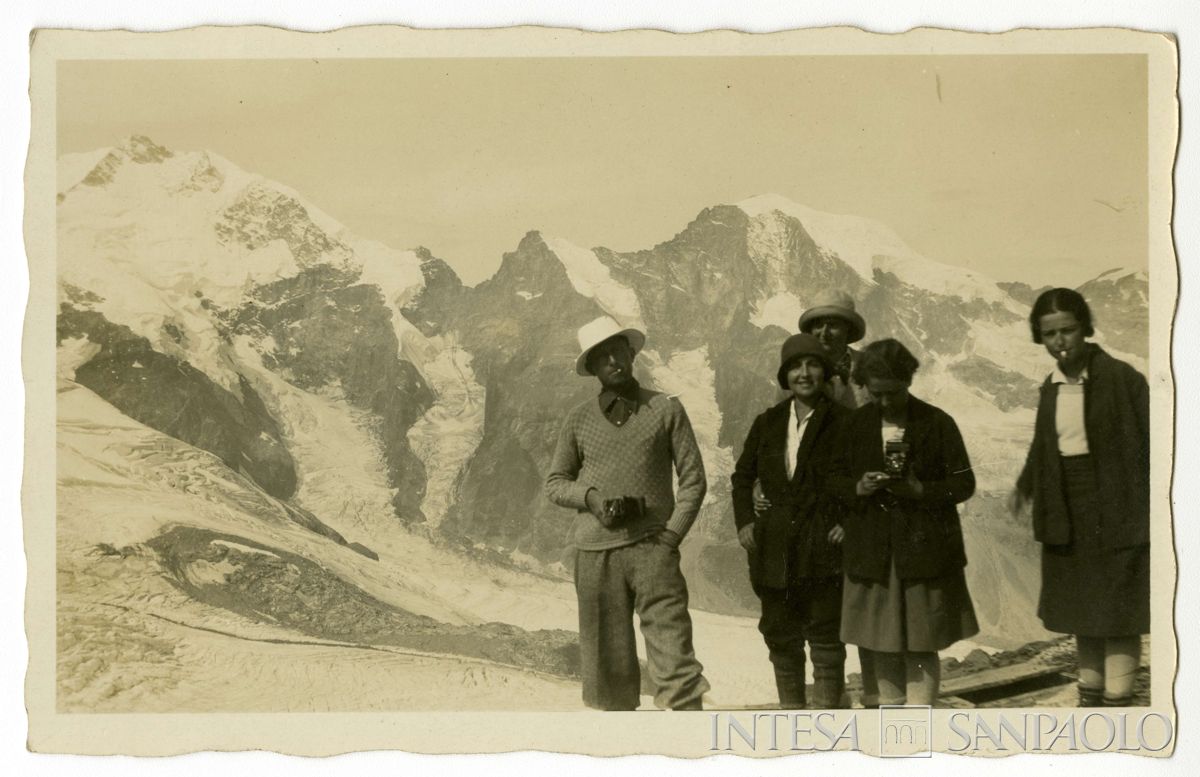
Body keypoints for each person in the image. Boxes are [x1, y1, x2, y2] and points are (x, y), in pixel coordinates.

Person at [545, 315, 710, 711]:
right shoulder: (578, 419)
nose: (613, 362)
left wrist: (671, 537)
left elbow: (694, 480)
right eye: (603, 357)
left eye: (618, 351)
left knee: (675, 661)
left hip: (654, 547)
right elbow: (555, 483)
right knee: (607, 679)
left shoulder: (666, 409)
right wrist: (592, 499)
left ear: (631, 353)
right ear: (593, 368)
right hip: (594, 554)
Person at [1009, 288, 1149, 707]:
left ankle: (1119, 701)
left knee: (1119, 611)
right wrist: (1025, 486)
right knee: (1082, 611)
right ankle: (1090, 701)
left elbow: (1158, 440)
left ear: (1085, 328)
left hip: (1119, 507)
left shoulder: (1123, 378)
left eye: (1067, 330)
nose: (1059, 341)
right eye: (1049, 333)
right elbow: (1043, 444)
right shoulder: (1050, 387)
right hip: (1065, 510)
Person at [830, 338, 979, 707]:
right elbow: (830, 480)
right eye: (874, 393)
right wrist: (858, 487)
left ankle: (919, 718)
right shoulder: (854, 425)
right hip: (873, 553)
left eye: (892, 393)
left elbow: (964, 483)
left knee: (920, 642)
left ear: (908, 382)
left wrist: (921, 490)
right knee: (881, 643)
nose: (883, 402)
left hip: (923, 554)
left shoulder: (937, 422)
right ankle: (893, 716)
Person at [731, 333, 849, 709]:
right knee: (782, 637)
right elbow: (742, 477)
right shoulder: (767, 422)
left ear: (825, 372)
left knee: (826, 638)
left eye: (812, 364)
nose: (804, 373)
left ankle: (828, 724)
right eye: (795, 366)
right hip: (775, 547)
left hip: (823, 546)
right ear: (785, 375)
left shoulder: (845, 422)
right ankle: (792, 718)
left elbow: (864, 478)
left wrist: (850, 522)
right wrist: (746, 521)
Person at [798, 289, 872, 410]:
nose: (824, 333)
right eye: (818, 325)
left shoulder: (869, 366)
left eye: (832, 325)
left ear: (848, 328)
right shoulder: (795, 370)